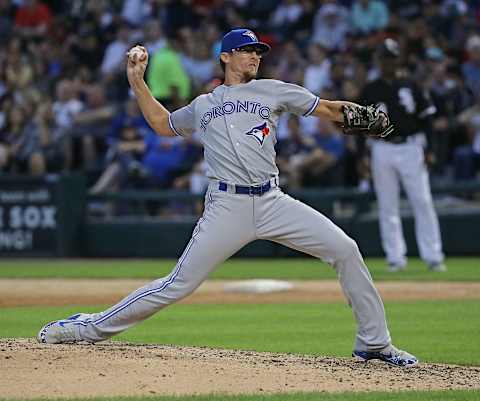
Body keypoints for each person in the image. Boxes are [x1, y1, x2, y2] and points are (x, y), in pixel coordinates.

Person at [37, 28, 417, 367]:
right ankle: (87, 327)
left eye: (258, 51)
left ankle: (374, 344)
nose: (254, 56)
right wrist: (137, 81)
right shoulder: (205, 104)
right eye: (247, 50)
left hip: (273, 201)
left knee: (346, 248)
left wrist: (363, 115)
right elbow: (162, 124)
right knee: (177, 285)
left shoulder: (274, 90)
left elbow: (328, 109)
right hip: (226, 206)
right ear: (226, 56)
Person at [360, 38, 446, 273]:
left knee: (422, 201)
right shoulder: (371, 89)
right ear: (379, 60)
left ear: (398, 59)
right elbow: (359, 126)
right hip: (381, 148)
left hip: (411, 146)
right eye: (384, 58)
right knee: (388, 206)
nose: (388, 62)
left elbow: (427, 119)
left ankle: (433, 256)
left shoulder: (412, 84)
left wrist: (430, 150)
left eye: (392, 57)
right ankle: (395, 257)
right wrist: (362, 156)